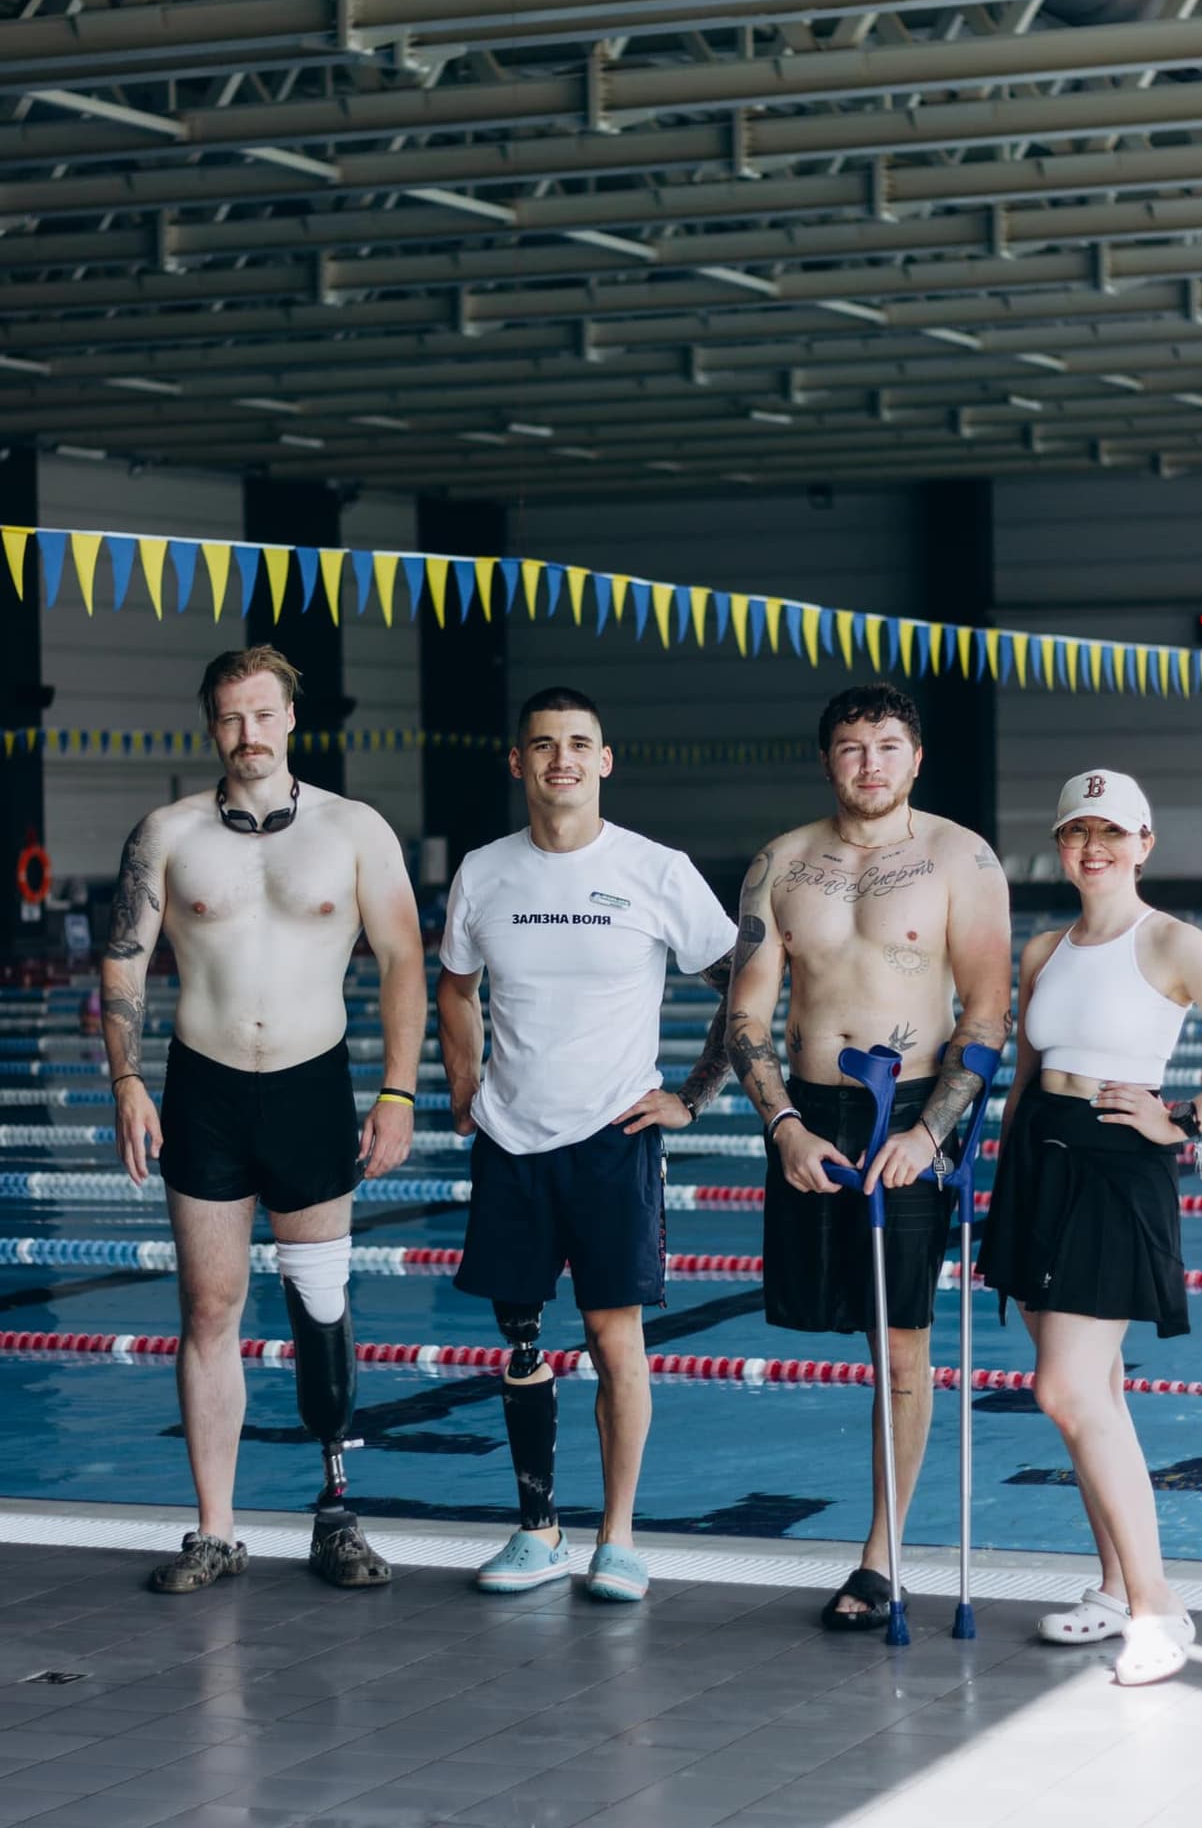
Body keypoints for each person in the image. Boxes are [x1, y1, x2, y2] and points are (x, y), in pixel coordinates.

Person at [102, 646, 426, 1594]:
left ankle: (336, 1511)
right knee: (208, 1309)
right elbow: (125, 961)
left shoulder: (354, 829)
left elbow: (403, 959)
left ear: (293, 718)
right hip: (203, 1091)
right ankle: (215, 1529)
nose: (248, 735)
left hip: (311, 1085)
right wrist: (125, 1077)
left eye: (264, 715)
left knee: (320, 1308)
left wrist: (399, 1092)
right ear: (211, 723)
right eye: (230, 718)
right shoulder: (166, 833)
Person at [979, 769, 1202, 1685]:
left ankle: (1160, 1606)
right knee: (1096, 1390)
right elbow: (1028, 1071)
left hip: (1115, 1165)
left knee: (1066, 1390)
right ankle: (1113, 1586)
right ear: (1061, 845)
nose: (1095, 846)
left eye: (1114, 831)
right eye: (1078, 831)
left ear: (1144, 844)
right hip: (1039, 1162)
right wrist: (998, 1172)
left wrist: (1184, 1119)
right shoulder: (1043, 950)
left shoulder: (1173, 942)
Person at [436, 685, 737, 1602]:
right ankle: (537, 1531)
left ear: (605, 761)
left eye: (578, 743)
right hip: (511, 1141)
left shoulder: (656, 869)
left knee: (617, 1342)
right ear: (518, 763)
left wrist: (692, 1095)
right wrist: (461, 1085)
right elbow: (455, 986)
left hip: (613, 1139)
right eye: (542, 744)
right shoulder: (484, 872)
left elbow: (746, 983)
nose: (560, 758)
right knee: (520, 1341)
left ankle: (618, 1537)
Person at [726, 683, 1010, 1632]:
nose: (871, 763)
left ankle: (881, 1557)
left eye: (888, 745)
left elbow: (984, 1012)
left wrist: (931, 1132)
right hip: (809, 1115)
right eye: (851, 747)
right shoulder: (780, 862)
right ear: (827, 759)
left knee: (901, 1343)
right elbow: (745, 1015)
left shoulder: (961, 857)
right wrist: (783, 1128)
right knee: (827, 1319)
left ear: (916, 757)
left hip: (912, 1112)